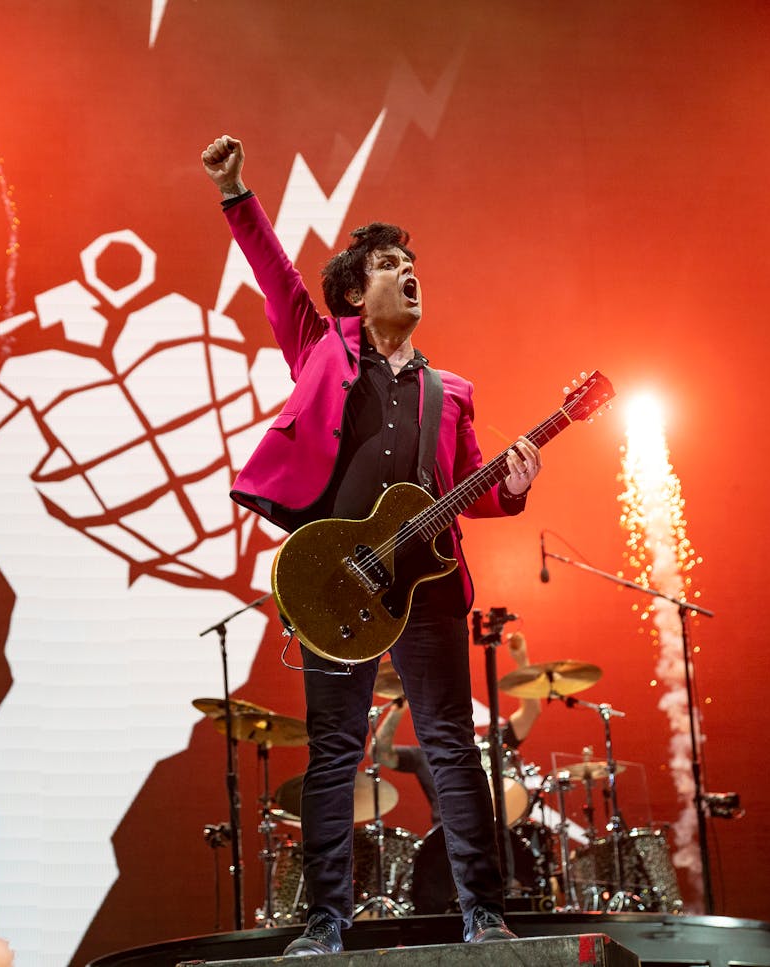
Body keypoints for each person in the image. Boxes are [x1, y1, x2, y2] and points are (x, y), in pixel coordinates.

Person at [202, 134, 542, 955]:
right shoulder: (323, 348)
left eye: (409, 262)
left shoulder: (449, 390)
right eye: (390, 263)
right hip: (336, 583)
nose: (408, 272)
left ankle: (483, 913)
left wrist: (519, 484)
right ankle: (325, 923)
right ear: (357, 290)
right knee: (334, 755)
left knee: (453, 746)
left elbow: (472, 488)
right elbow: (279, 280)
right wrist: (236, 192)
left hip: (425, 590)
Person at [369, 630, 541, 830]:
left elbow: (531, 712)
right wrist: (397, 709)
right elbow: (379, 753)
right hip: (446, 840)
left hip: (496, 832)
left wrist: (522, 660)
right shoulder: (424, 755)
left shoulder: (494, 742)